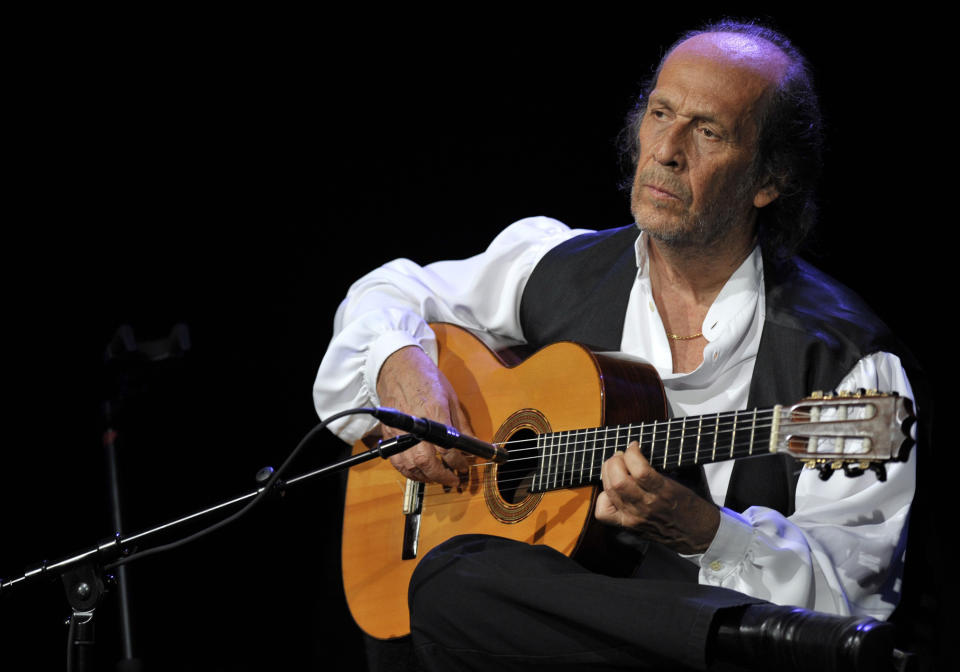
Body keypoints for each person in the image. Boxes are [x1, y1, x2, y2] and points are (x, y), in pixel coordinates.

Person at [314, 20, 920, 672]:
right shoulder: (553, 264)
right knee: (443, 586)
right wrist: (405, 371)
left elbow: (849, 613)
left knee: (451, 592)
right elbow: (385, 292)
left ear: (767, 180)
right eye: (661, 114)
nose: (667, 149)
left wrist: (705, 532)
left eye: (708, 131)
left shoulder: (846, 365)